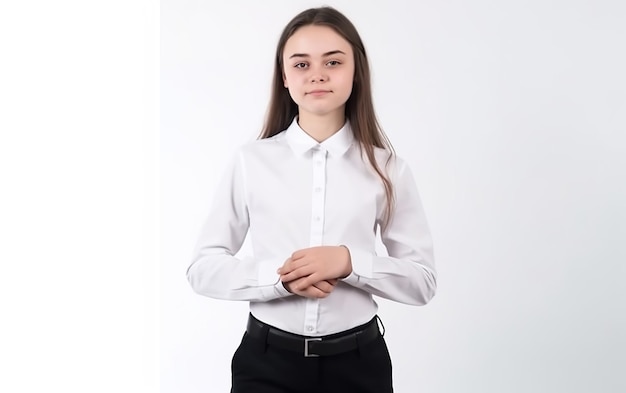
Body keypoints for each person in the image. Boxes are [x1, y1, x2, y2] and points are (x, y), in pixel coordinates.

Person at [187, 6, 436, 393]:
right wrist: (280, 277)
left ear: (356, 70)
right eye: (301, 64)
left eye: (333, 62)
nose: (317, 74)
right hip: (265, 365)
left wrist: (351, 262)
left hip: (360, 367)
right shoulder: (250, 162)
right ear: (284, 76)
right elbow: (203, 269)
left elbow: (422, 281)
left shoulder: (389, 169)